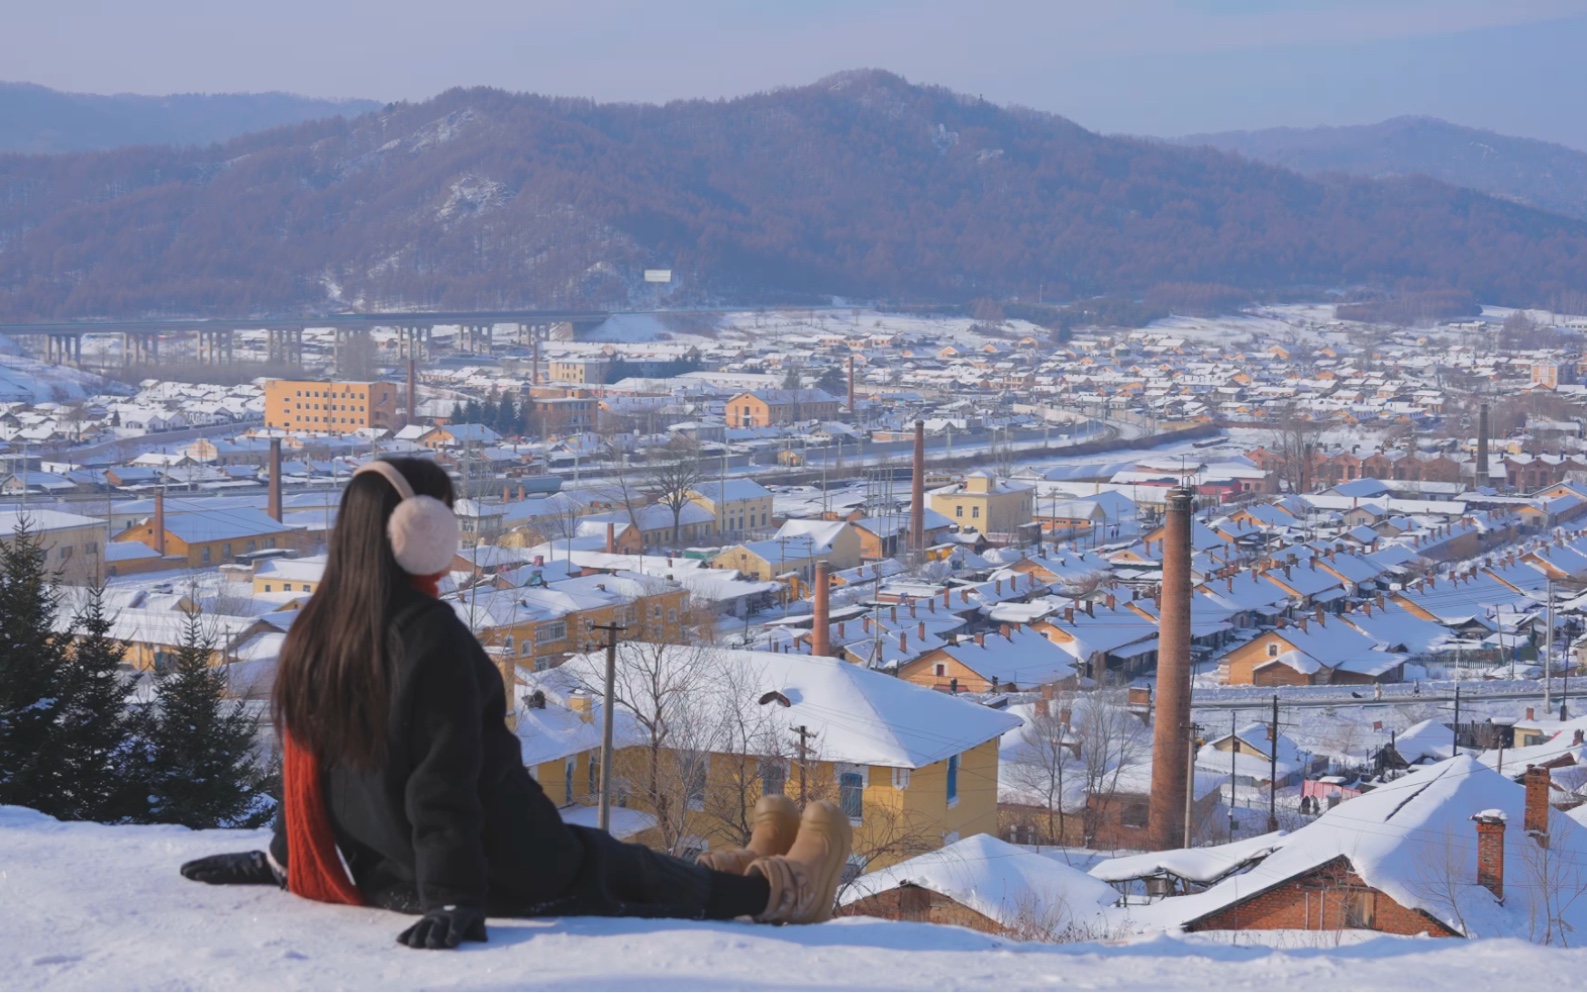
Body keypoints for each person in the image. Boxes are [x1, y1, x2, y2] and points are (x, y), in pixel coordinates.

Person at [181, 457, 851, 948]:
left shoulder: (315, 630)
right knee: (619, 873)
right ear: (421, 532)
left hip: (390, 869)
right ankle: (780, 889)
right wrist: (454, 897)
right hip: (504, 862)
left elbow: (309, 774)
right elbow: (440, 783)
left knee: (634, 866)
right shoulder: (430, 637)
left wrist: (281, 855)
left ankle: (742, 859)